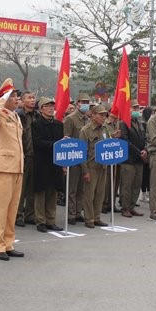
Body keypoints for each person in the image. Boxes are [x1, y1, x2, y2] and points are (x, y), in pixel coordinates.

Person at [0, 78, 25, 261]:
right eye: (13, 96)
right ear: (6, 98)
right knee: (0, 210)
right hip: (2, 168)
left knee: (12, 210)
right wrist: (1, 98)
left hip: (17, 168)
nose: (17, 99)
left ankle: (8, 243)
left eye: (16, 96)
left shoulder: (15, 116)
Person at [30, 97, 64, 232]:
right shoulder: (36, 124)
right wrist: (54, 144)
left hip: (55, 162)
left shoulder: (58, 124)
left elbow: (60, 143)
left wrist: (63, 144)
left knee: (53, 192)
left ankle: (51, 220)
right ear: (41, 109)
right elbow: (37, 142)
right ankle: (40, 221)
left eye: (52, 106)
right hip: (41, 162)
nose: (51, 108)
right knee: (41, 192)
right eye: (47, 106)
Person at [78, 104, 111, 228]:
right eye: (101, 115)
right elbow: (82, 152)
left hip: (103, 165)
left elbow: (108, 144)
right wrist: (85, 171)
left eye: (105, 115)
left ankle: (97, 217)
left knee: (100, 193)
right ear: (93, 116)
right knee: (89, 194)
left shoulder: (105, 129)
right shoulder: (85, 130)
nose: (103, 117)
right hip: (91, 166)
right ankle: (89, 219)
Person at [62, 92, 90, 224]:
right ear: (77, 103)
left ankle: (79, 212)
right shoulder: (70, 119)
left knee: (81, 188)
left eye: (87, 102)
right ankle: (71, 214)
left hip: (84, 158)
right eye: (83, 102)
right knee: (72, 189)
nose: (85, 105)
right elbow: (66, 140)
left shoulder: (87, 120)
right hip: (73, 157)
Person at [119, 99, 146, 218]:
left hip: (139, 159)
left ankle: (132, 206)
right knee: (127, 185)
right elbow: (125, 141)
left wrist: (145, 150)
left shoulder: (140, 122)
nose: (136, 110)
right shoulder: (124, 123)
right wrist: (138, 152)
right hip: (129, 159)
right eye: (134, 108)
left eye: (137, 108)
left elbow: (144, 138)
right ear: (128, 109)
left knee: (136, 184)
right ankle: (125, 207)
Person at [15, 90, 38, 227]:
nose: (32, 100)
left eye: (34, 98)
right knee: (20, 189)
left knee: (32, 187)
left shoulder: (37, 116)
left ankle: (30, 214)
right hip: (22, 155)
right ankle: (18, 215)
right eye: (29, 98)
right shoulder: (18, 115)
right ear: (22, 101)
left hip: (34, 155)